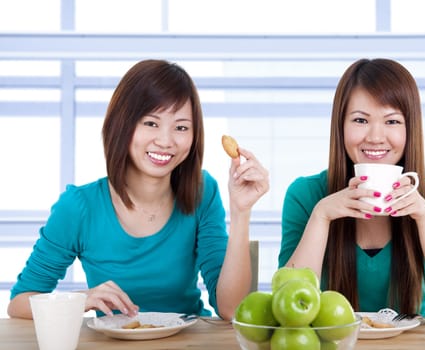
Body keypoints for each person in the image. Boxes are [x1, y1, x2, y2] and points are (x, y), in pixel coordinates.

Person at [8, 59, 269, 320]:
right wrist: (80, 299)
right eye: (150, 123)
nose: (165, 141)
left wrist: (241, 211)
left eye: (181, 127)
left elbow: (232, 310)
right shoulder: (79, 207)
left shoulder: (202, 191)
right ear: (122, 124)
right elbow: (19, 303)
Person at [278, 58, 425, 321]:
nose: (374, 136)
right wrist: (321, 216)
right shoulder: (306, 194)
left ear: (411, 129)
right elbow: (287, 303)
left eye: (392, 121)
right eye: (360, 120)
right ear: (340, 126)